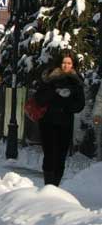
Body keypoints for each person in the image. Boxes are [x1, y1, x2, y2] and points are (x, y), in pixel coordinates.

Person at [34, 52, 85, 186]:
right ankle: (48, 185)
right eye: (64, 62)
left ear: (73, 65)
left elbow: (80, 104)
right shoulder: (49, 77)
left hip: (65, 123)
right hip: (47, 122)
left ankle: (55, 185)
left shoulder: (76, 81)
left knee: (61, 156)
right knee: (49, 154)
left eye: (69, 63)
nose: (66, 65)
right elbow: (38, 99)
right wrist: (55, 92)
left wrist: (68, 102)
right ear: (59, 63)